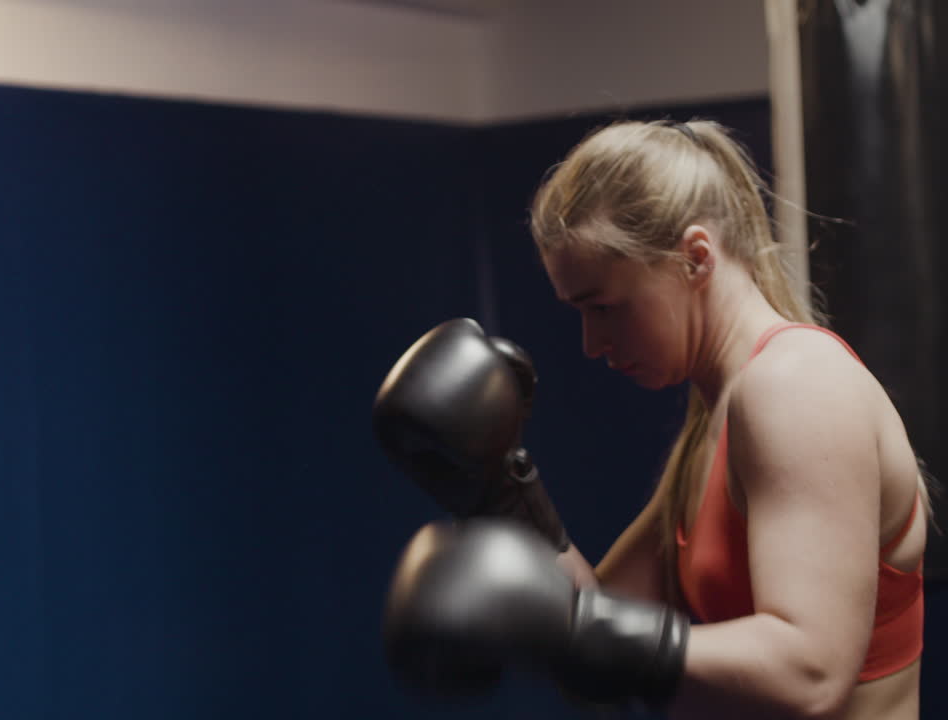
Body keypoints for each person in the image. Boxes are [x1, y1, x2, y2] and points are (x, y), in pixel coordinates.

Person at [376, 119, 929, 719]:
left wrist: (579, 629)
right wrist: (501, 496)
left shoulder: (796, 387)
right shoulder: (717, 413)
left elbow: (810, 672)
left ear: (695, 257)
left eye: (606, 308)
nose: (591, 342)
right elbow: (597, 645)